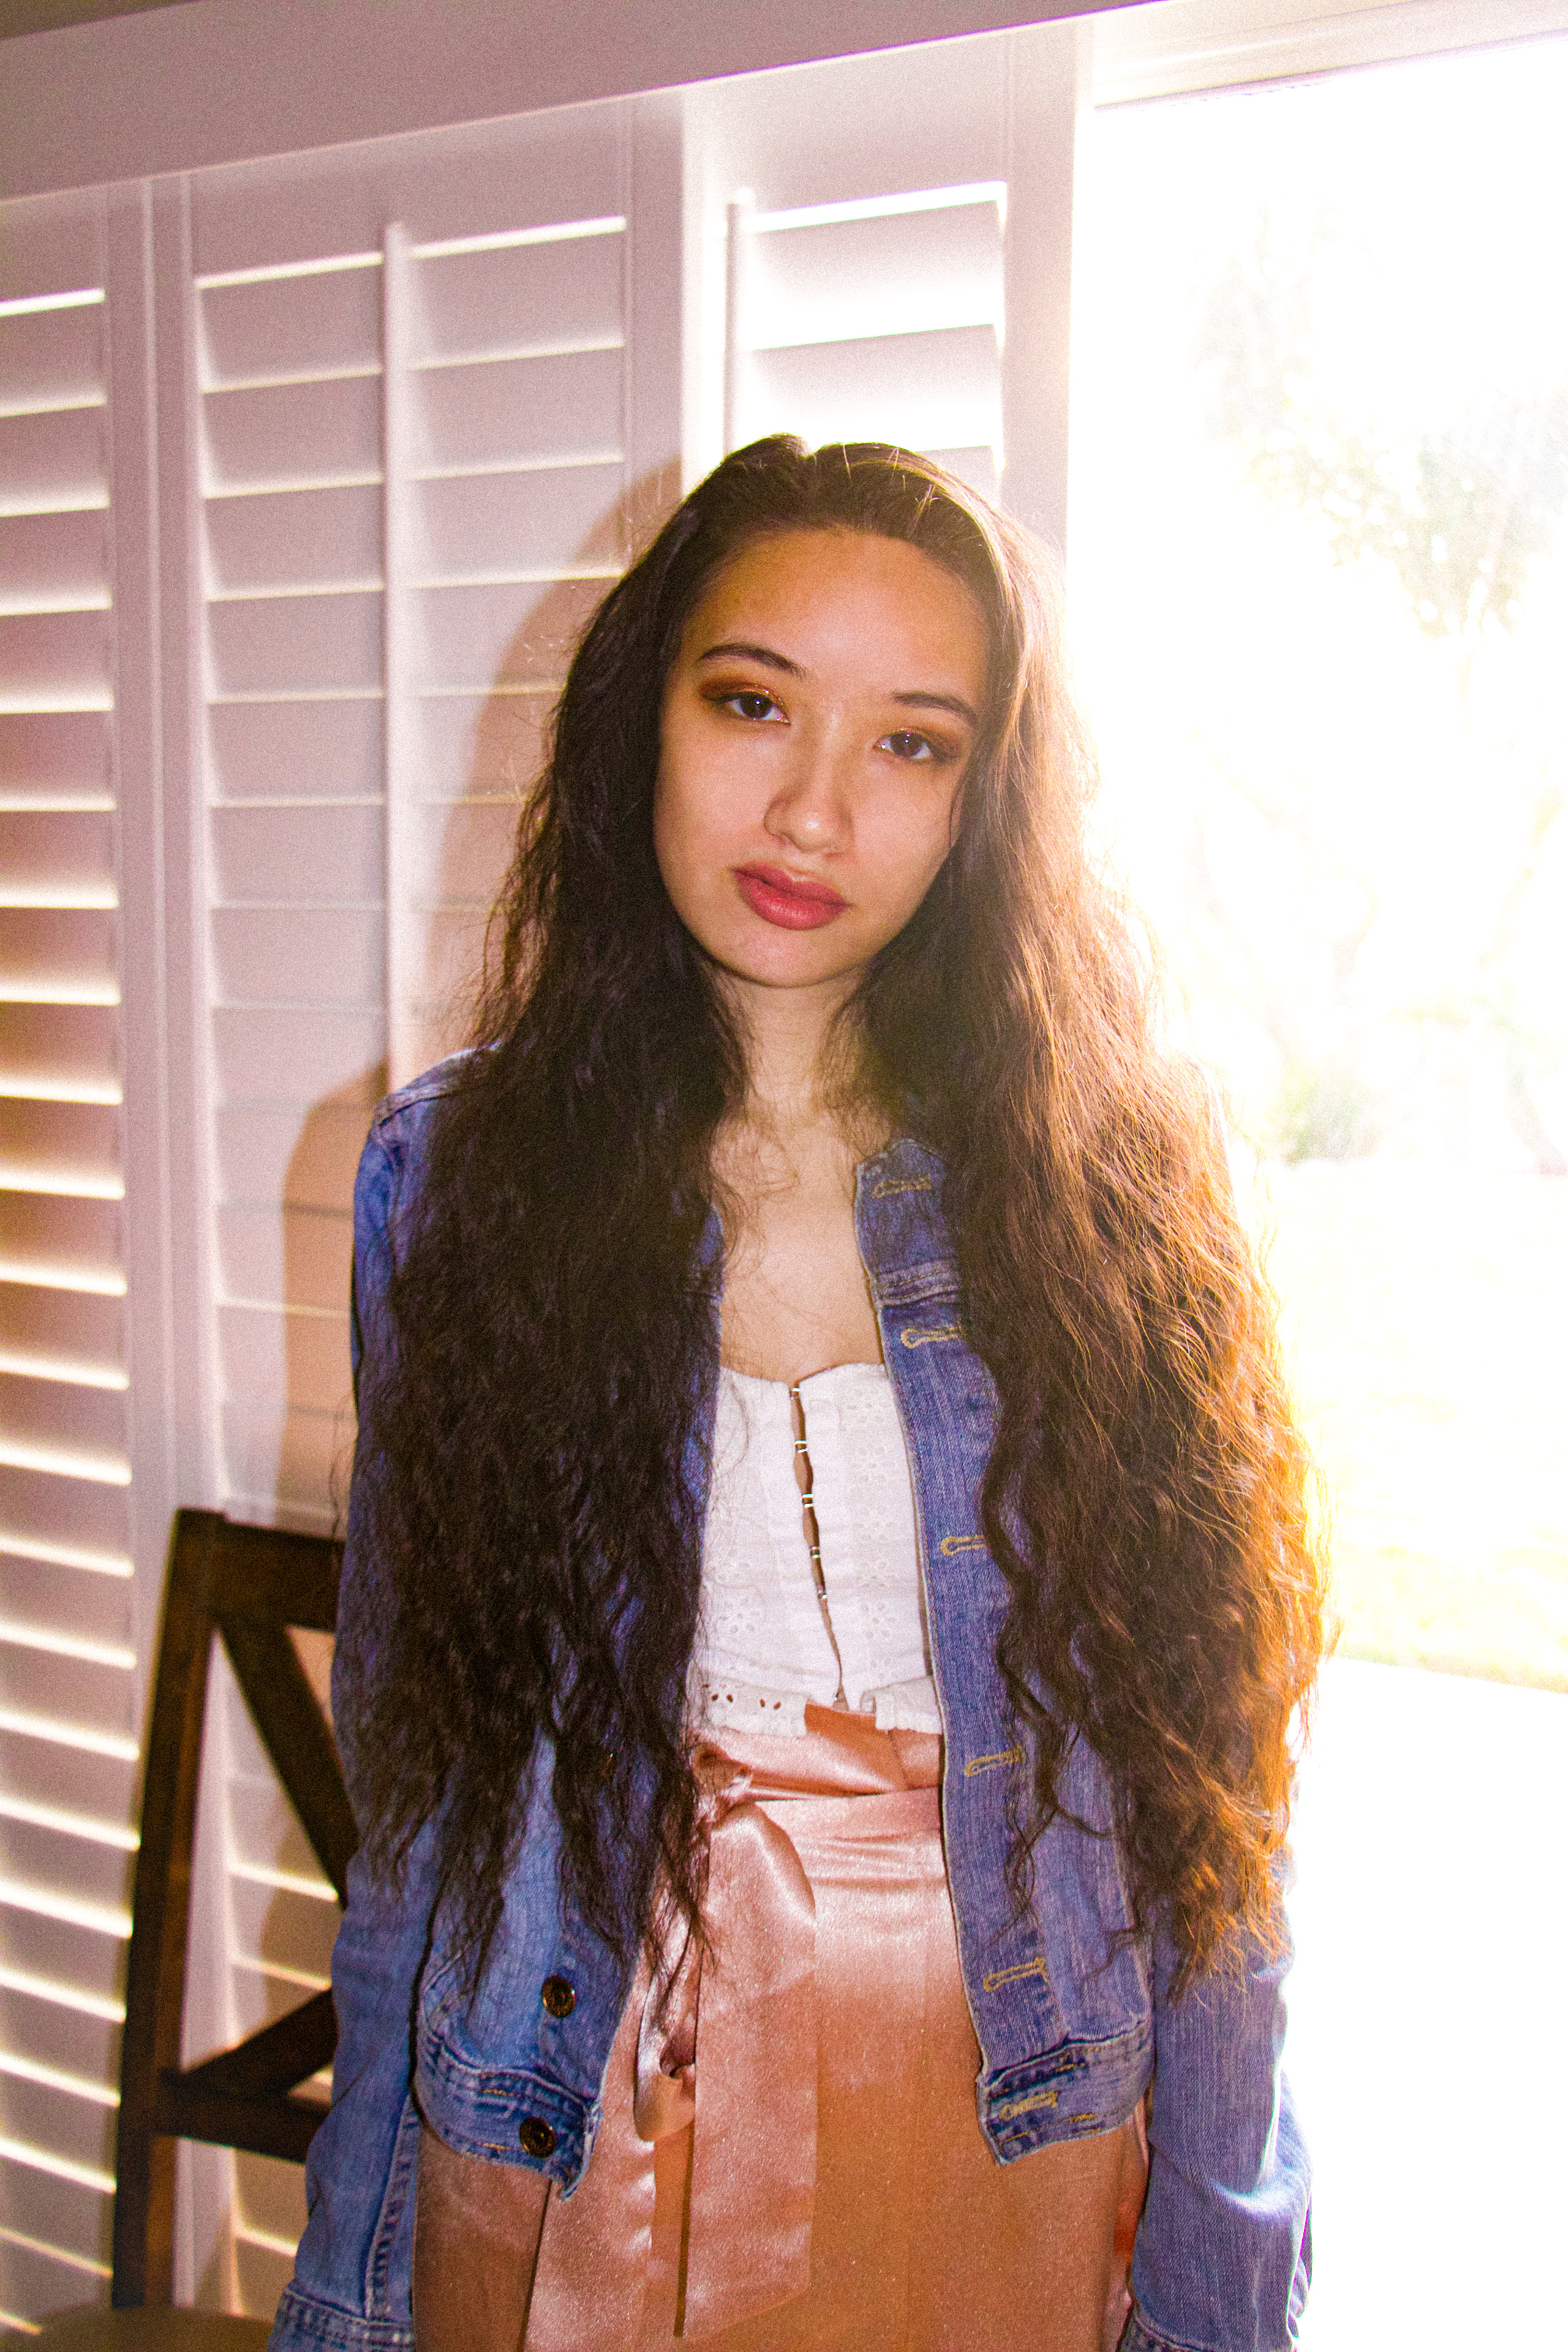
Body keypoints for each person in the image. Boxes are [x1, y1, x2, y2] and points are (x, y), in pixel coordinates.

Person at [270, 437, 1325, 2352]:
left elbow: (1216, 1826)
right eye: (753, 703)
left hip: (1006, 2107)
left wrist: (1219, 2296)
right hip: (562, 2086)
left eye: (912, 743)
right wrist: (350, 2292)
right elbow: (425, 1805)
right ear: (643, 718)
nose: (815, 810)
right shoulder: (454, 1178)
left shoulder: (1116, 1189)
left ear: (990, 799)